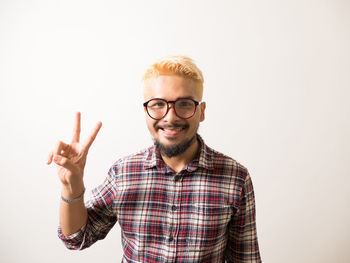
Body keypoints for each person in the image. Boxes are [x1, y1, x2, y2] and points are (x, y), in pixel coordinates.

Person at [47, 56, 261, 262]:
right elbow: (76, 238)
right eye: (158, 104)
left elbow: (246, 259)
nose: (170, 117)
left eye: (185, 104)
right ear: (146, 110)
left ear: (201, 111)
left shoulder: (235, 178)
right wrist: (71, 187)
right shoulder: (124, 173)